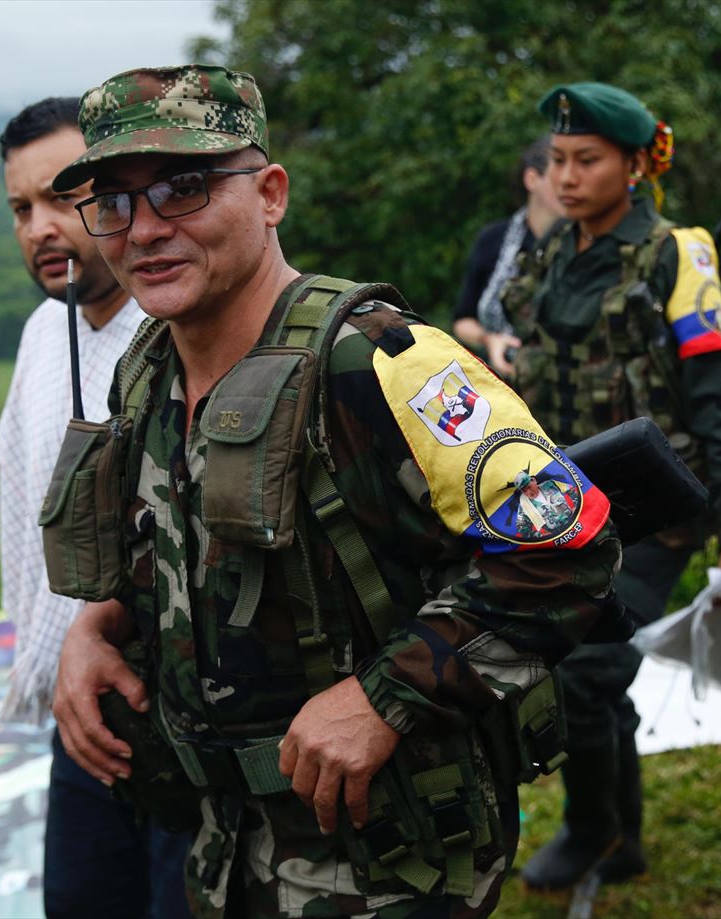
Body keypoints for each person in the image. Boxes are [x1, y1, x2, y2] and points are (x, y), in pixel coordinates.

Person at [47, 64, 621, 919]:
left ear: (270, 193)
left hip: (384, 865)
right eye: (116, 203)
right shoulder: (149, 372)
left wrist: (383, 696)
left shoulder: (379, 362)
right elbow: (181, 550)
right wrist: (98, 626)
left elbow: (570, 546)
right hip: (224, 849)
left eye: (184, 188)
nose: (145, 229)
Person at [503, 82, 721, 891]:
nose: (567, 177)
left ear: (634, 164)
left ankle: (592, 828)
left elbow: (720, 397)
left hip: (654, 509)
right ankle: (625, 838)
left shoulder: (675, 256)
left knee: (586, 670)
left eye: (587, 160)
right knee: (591, 667)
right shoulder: (550, 252)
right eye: (558, 161)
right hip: (565, 499)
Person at [0, 97, 190, 918]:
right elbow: (20, 496)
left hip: (178, 714)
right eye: (19, 208)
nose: (40, 227)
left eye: (60, 199)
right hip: (75, 711)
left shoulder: (182, 328)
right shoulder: (43, 331)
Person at [452, 136, 562, 377]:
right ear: (532, 179)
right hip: (498, 387)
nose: (571, 182)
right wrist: (489, 340)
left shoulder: (588, 241)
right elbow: (463, 320)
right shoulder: (494, 239)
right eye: (560, 173)